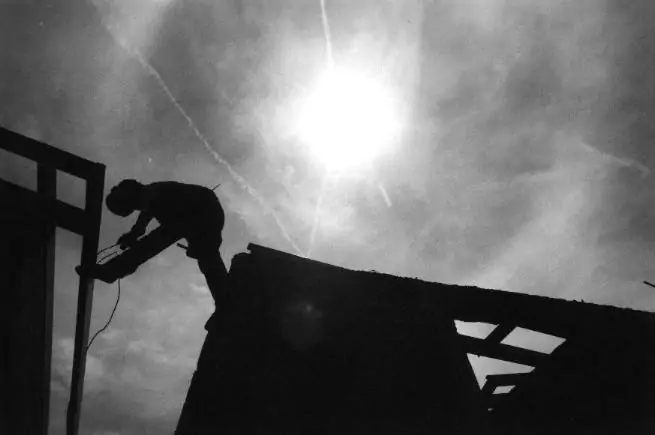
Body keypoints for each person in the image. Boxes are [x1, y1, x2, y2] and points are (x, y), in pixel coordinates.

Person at [105, 179, 228, 305]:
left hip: (202, 212)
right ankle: (226, 300)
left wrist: (134, 238)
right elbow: (144, 221)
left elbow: (152, 232)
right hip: (204, 212)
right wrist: (134, 235)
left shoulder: (156, 197)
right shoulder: (152, 196)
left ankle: (226, 301)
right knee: (208, 259)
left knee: (206, 257)